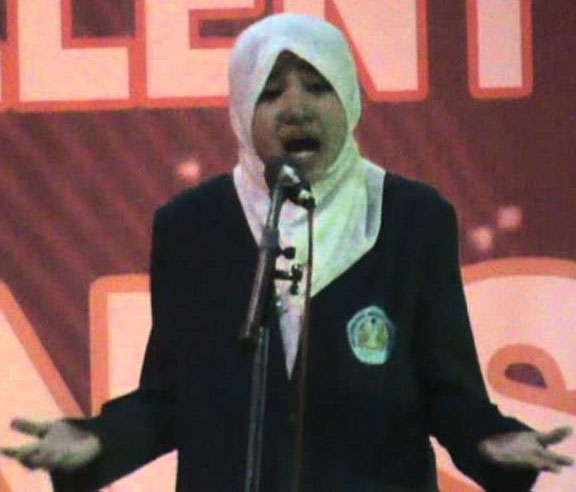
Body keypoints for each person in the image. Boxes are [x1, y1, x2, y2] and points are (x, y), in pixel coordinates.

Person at [1, 13, 573, 492]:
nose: (296, 108)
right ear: (242, 109)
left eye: (317, 87)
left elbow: (448, 391)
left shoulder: (412, 219)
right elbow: (172, 397)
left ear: (349, 97)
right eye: (271, 93)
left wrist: (493, 441)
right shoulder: (192, 226)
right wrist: (97, 441)